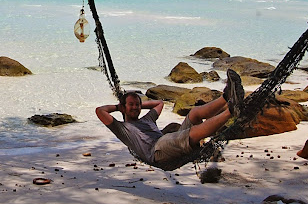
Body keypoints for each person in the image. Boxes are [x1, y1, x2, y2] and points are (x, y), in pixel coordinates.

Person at [95, 69, 245, 171]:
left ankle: (226, 97)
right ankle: (231, 110)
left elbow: (159, 103)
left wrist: (140, 104)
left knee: (193, 114)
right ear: (123, 107)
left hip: (167, 143)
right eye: (131, 105)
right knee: (183, 135)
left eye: (137, 105)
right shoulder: (122, 128)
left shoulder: (148, 119)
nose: (135, 108)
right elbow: (100, 111)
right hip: (156, 152)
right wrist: (118, 107)